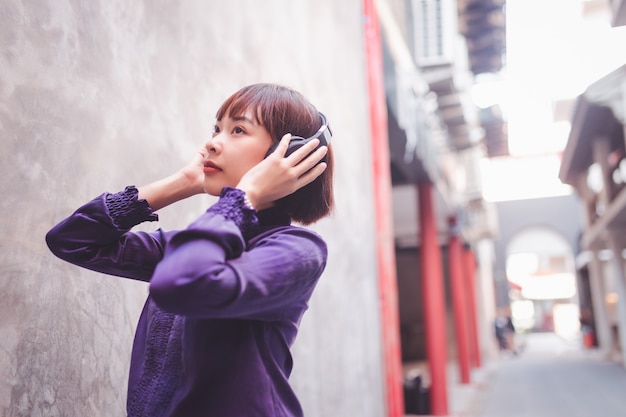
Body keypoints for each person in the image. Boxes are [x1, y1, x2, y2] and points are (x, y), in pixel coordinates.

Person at [45, 83, 335, 417]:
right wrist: (182, 182)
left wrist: (242, 198)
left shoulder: (298, 251)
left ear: (286, 156)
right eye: (216, 128)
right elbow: (71, 240)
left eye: (238, 130)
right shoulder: (194, 245)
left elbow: (182, 283)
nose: (212, 143)